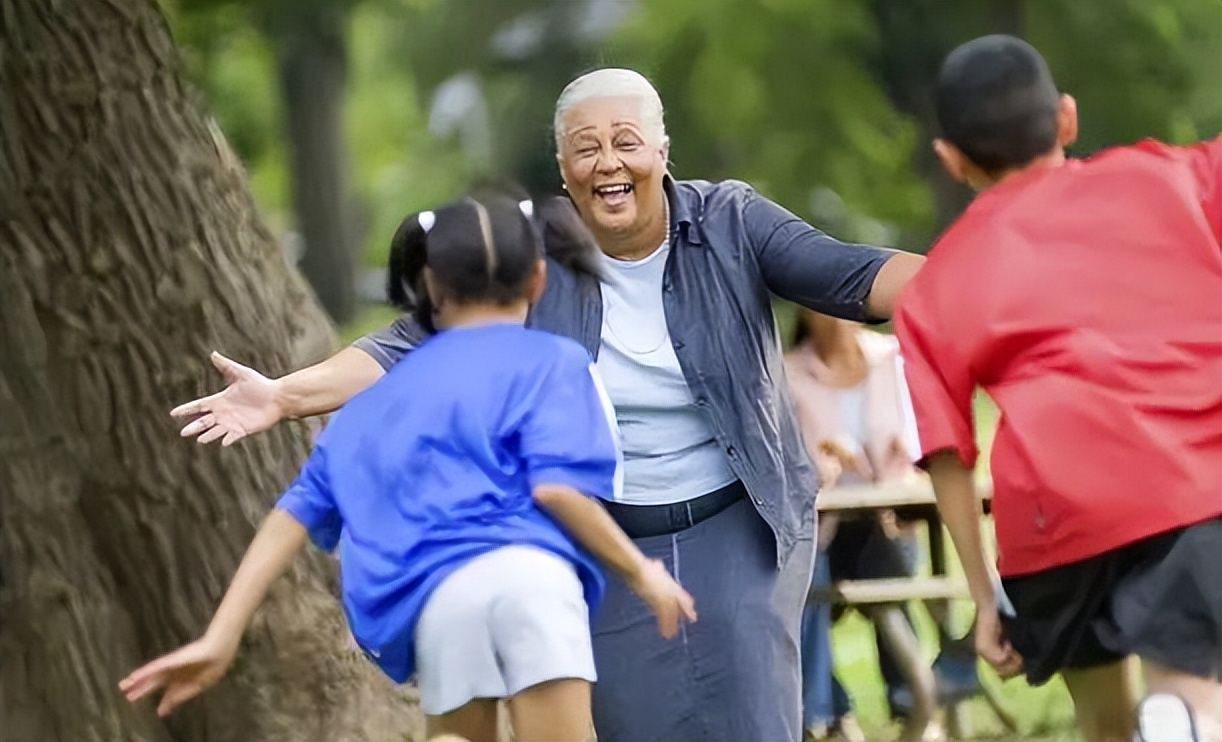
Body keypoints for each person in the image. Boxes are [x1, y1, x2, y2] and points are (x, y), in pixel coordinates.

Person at [171, 68, 924, 740]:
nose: (608, 162)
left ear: (662, 152)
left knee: (751, 712)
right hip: (602, 528)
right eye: (585, 148)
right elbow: (408, 344)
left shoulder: (729, 220)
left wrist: (971, 283)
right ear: (563, 170)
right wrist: (281, 395)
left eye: (626, 140)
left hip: (736, 516)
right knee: (630, 721)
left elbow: (849, 277)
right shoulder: (531, 252)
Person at [120, 193, 697, 742]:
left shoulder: (378, 401)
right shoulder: (551, 362)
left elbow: (291, 516)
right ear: (539, 280)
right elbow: (556, 489)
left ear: (430, 287)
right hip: (533, 584)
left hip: (442, 602)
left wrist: (221, 636)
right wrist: (641, 572)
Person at [895, 35, 1221, 742]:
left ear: (950, 158)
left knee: (1102, 725)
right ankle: (1182, 716)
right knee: (1194, 688)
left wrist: (984, 599)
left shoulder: (934, 286)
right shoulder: (1175, 175)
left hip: (1055, 521)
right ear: (1066, 119)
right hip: (1192, 483)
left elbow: (946, 454)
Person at [785, 311, 975, 740]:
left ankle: (913, 700)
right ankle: (836, 710)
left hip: (891, 514)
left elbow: (921, 440)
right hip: (823, 524)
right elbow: (791, 461)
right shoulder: (789, 372)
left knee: (883, 565)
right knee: (803, 583)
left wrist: (901, 469)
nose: (834, 319)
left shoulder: (892, 359)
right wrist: (828, 459)